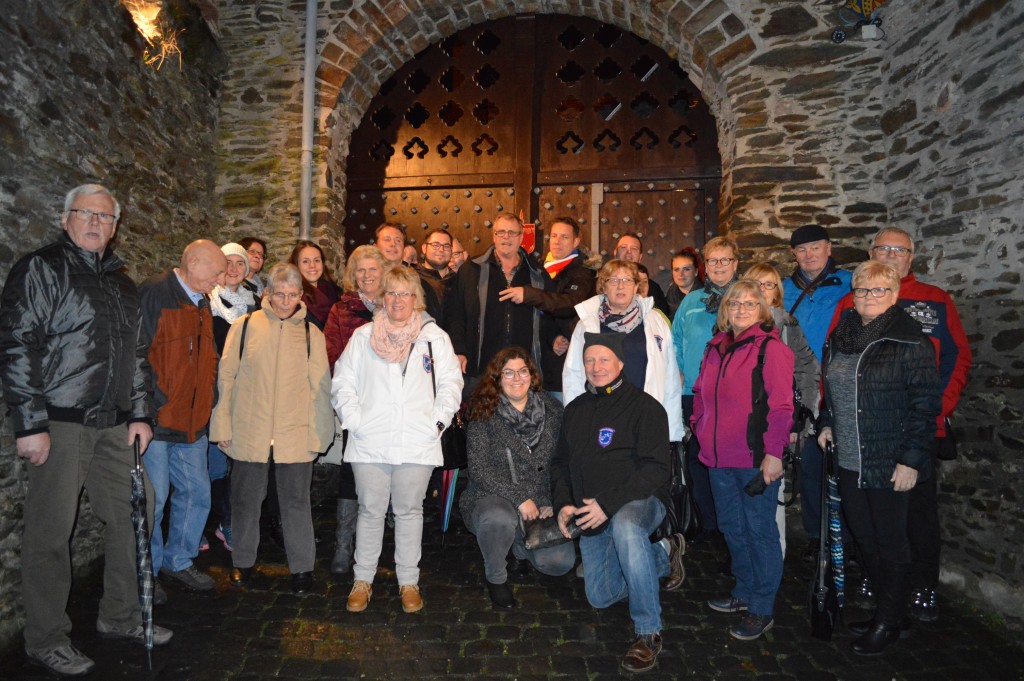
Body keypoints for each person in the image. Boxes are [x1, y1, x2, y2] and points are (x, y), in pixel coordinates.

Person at [0, 184, 172, 676]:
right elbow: (17, 344)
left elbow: (137, 357)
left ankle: (119, 616)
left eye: (105, 216)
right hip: (60, 421)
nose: (96, 223)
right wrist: (29, 423)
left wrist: (141, 414)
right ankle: (45, 638)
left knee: (136, 511)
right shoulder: (42, 268)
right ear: (65, 218)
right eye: (86, 214)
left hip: (114, 425)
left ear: (115, 226)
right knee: (52, 531)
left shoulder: (121, 283)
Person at [829, 226, 972, 621]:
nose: (890, 254)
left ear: (911, 257)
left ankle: (923, 586)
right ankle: (878, 584)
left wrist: (934, 412)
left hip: (918, 429)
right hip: (862, 435)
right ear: (870, 252)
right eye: (882, 248)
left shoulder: (935, 300)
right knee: (870, 518)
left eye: (899, 249)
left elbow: (956, 359)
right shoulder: (849, 305)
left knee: (918, 518)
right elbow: (836, 370)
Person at [817, 261, 941, 655]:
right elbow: (830, 386)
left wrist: (911, 460)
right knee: (865, 539)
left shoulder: (910, 340)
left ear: (895, 295)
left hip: (891, 461)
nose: (870, 298)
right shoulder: (842, 335)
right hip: (851, 458)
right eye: (863, 291)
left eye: (879, 291)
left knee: (891, 543)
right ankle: (894, 612)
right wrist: (826, 422)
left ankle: (888, 621)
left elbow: (925, 405)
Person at [333, 266, 463, 614]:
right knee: (371, 511)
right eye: (391, 293)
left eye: (404, 293)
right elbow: (342, 382)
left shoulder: (434, 338)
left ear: (416, 298)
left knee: (409, 512)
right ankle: (363, 579)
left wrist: (436, 423)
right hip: (370, 440)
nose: (397, 300)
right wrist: (355, 421)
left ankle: (408, 581)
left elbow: (451, 384)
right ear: (382, 298)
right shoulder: (363, 336)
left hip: (417, 441)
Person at [552, 333, 685, 674]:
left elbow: (657, 468)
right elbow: (560, 464)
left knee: (627, 528)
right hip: (591, 513)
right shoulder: (575, 410)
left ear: (621, 364)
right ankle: (662, 553)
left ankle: (647, 632)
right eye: (590, 360)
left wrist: (608, 504)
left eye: (604, 360)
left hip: (638, 502)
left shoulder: (645, 407)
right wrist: (565, 503)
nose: (596, 368)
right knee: (600, 594)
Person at [210, 263, 334, 595]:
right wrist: (221, 425)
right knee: (246, 500)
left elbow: (320, 389)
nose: (285, 301)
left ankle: (302, 570)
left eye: (293, 294)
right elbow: (227, 379)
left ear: (300, 296)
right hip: (249, 429)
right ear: (267, 293)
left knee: (296, 501)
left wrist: (320, 435)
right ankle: (244, 563)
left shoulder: (311, 334)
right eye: (279, 293)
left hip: (295, 433)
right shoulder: (245, 327)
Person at [690, 280, 795, 641]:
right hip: (717, 458)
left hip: (754, 459)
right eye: (735, 302)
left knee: (760, 531)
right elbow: (701, 394)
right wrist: (698, 427)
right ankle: (745, 591)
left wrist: (774, 454)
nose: (742, 309)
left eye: (751, 304)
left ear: (762, 310)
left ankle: (762, 607)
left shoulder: (771, 350)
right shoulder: (715, 346)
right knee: (732, 527)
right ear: (725, 309)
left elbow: (782, 407)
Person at [139, 239, 226, 595]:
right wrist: (147, 406)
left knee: (196, 494)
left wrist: (208, 398)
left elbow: (207, 360)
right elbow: (136, 354)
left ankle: (179, 560)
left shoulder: (202, 303)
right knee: (154, 502)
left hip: (193, 423)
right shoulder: (155, 294)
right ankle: (147, 573)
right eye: (216, 270)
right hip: (158, 422)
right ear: (193, 261)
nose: (221, 278)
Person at [460, 347, 576, 609]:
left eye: (522, 371)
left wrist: (550, 500)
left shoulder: (554, 410)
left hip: (539, 500)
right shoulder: (484, 411)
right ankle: (496, 578)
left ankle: (519, 549)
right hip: (492, 496)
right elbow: (479, 469)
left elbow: (560, 463)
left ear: (532, 375)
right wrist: (519, 497)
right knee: (498, 518)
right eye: (508, 372)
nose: (516, 378)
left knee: (559, 563)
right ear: (497, 378)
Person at [781, 224, 853, 560]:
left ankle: (849, 536)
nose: (809, 255)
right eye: (801, 250)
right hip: (801, 386)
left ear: (828, 248)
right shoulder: (783, 289)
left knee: (845, 465)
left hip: (839, 383)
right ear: (793, 254)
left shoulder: (850, 284)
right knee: (809, 464)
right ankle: (815, 533)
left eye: (816, 247)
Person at [562, 259, 685, 442]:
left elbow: (670, 378)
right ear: (603, 286)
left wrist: (671, 431)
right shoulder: (587, 324)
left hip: (644, 416)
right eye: (613, 280)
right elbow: (573, 374)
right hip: (600, 416)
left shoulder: (655, 322)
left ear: (636, 287)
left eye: (627, 280)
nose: (620, 286)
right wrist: (576, 422)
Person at [744, 262, 821, 553]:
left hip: (773, 422)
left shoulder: (786, 325)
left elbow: (809, 370)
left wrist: (799, 421)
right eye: (757, 283)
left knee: (770, 498)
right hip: (742, 426)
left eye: (770, 284)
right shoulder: (732, 325)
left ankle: (771, 562)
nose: (764, 290)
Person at [322, 244, 388, 575]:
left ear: (383, 271)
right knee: (351, 473)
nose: (366, 275)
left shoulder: (398, 305)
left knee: (385, 472)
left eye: (372, 269)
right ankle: (343, 544)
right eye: (360, 270)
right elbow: (332, 354)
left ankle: (374, 543)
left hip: (392, 406)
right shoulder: (341, 310)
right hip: (358, 407)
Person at [671, 235, 741, 541]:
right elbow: (674, 341)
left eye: (725, 260)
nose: (719, 266)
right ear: (705, 267)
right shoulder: (691, 301)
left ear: (736, 264)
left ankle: (731, 529)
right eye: (713, 260)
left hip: (734, 398)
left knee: (728, 464)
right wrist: (681, 374)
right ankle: (707, 525)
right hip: (695, 396)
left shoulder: (746, 298)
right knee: (699, 461)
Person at [495, 217, 595, 402]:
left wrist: (530, 294)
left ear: (576, 242)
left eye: (564, 237)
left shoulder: (583, 272)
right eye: (554, 236)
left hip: (563, 363)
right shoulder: (538, 268)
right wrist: (552, 337)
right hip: (539, 361)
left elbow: (569, 305)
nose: (557, 241)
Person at [445, 213, 545, 392]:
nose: (506, 237)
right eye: (501, 232)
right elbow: (456, 315)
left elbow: (549, 311)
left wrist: (556, 338)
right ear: (493, 236)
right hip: (480, 369)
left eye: (512, 233)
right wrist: (459, 350)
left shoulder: (536, 273)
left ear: (521, 237)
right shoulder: (471, 270)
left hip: (522, 373)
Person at [206, 243, 260, 552]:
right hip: (215, 389)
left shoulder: (255, 303)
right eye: (228, 262)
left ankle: (233, 521)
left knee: (237, 461)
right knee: (214, 461)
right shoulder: (207, 300)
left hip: (245, 390)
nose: (235, 268)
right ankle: (219, 522)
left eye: (240, 263)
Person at [613, 233, 670, 317]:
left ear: (640, 256)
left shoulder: (652, 287)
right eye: (623, 247)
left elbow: (662, 320)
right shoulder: (600, 282)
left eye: (634, 248)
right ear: (615, 253)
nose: (629, 252)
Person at [289, 240, 339, 330]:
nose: (312, 265)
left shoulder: (333, 292)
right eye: (305, 261)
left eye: (317, 260)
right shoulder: (291, 298)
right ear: (296, 265)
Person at [416, 228, 455, 323]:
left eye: (446, 246)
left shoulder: (460, 281)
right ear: (424, 248)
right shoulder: (412, 279)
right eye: (435, 245)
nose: (441, 250)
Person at [665, 248, 703, 319]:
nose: (680, 274)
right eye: (676, 269)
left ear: (696, 272)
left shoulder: (708, 299)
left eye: (686, 269)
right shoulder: (666, 301)